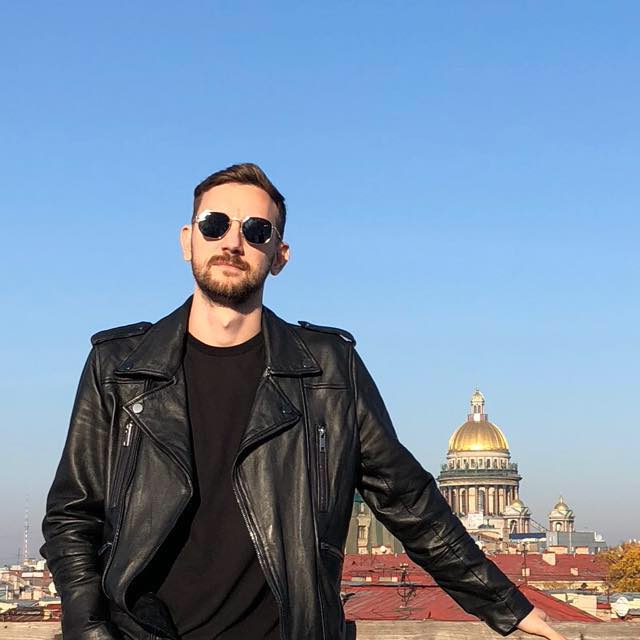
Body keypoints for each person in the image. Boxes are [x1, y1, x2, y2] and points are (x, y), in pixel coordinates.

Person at [41, 163, 566, 640]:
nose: (233, 242)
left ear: (279, 256)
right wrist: (87, 628)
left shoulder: (329, 370)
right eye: (214, 224)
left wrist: (506, 605)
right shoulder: (119, 367)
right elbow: (71, 518)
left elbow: (407, 500)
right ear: (187, 240)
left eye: (256, 231)